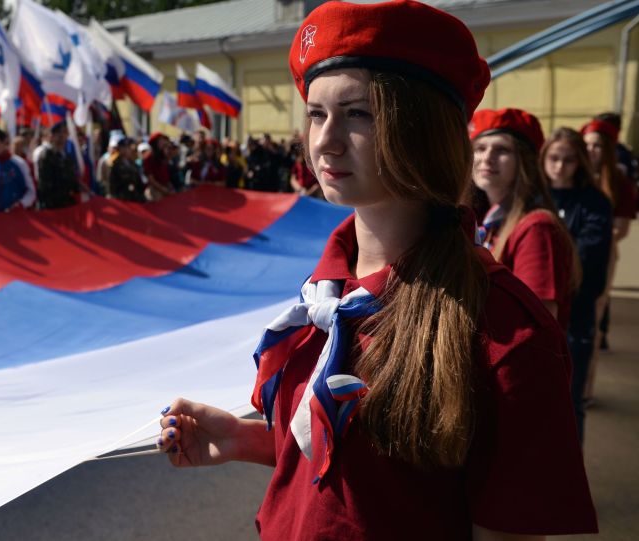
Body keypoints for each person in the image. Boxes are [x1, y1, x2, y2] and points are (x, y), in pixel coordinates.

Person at [157, 2, 597, 539]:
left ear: (424, 128)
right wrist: (244, 441)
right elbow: (369, 477)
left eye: (358, 114)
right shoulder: (325, 292)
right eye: (317, 114)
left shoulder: (506, 332)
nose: (324, 140)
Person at [465, 108, 577, 328]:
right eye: (480, 148)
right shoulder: (485, 219)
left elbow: (539, 322)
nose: (487, 158)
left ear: (524, 161)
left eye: (502, 150)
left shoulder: (537, 227)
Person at [540, 127, 613, 440]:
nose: (560, 166)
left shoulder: (594, 202)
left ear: (580, 162)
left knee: (571, 401)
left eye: (568, 160)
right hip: (539, 314)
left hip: (576, 314)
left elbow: (589, 253)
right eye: (554, 158)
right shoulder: (534, 197)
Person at [580, 118, 636, 355]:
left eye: (598, 146)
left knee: (597, 308)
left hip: (602, 252)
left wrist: (594, 237)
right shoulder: (572, 177)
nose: (591, 151)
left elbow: (621, 228)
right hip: (573, 251)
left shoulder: (620, 183)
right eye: (587, 145)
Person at [35, 121, 79, 210]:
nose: (61, 137)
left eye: (64, 133)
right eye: (58, 133)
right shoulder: (46, 156)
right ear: (52, 136)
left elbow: (71, 179)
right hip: (52, 205)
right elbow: (44, 184)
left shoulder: (67, 157)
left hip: (67, 204)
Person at [108, 137, 145, 202]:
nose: (131, 150)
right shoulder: (116, 165)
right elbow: (112, 186)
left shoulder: (133, 164)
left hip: (135, 199)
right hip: (123, 199)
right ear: (121, 149)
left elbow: (139, 182)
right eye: (128, 147)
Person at [142, 132, 175, 201]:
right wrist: (164, 190)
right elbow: (151, 180)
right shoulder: (148, 158)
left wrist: (169, 186)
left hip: (165, 188)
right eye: (160, 141)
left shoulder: (161, 157)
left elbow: (165, 174)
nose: (163, 143)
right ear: (155, 143)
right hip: (155, 191)